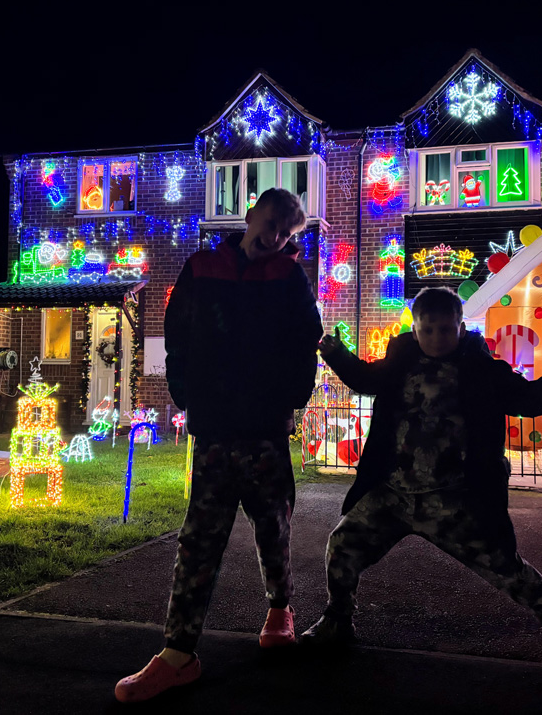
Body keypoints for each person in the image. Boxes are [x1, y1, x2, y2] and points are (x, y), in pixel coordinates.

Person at [300, 286, 542, 673]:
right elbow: (365, 379)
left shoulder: (481, 368)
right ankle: (337, 620)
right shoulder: (400, 360)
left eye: (445, 329)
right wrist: (334, 352)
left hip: (456, 501)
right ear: (416, 327)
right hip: (394, 494)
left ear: (460, 326)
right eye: (428, 329)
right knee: (342, 543)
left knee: (505, 567)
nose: (437, 338)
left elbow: (527, 400)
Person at [115, 189, 323, 703]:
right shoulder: (202, 265)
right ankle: (177, 653)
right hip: (214, 426)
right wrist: (188, 393)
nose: (274, 237)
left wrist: (291, 397)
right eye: (271, 223)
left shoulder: (289, 277)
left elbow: (306, 340)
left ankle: (280, 610)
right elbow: (177, 330)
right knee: (199, 538)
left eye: (285, 232)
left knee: (273, 525)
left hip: (265, 429)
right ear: (251, 215)